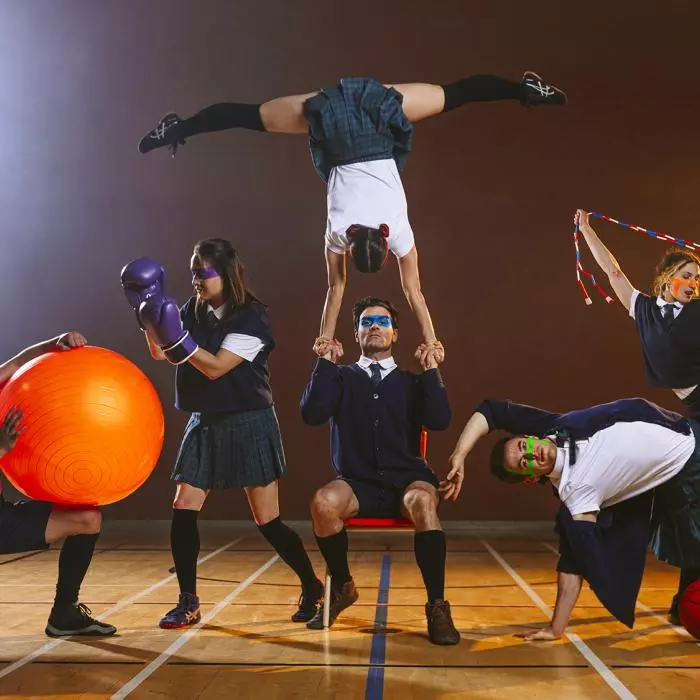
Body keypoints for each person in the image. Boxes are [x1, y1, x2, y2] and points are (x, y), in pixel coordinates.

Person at [138, 72, 566, 363]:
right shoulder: (339, 233)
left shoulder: (398, 231)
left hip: (378, 121)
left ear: (383, 244)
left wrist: (432, 338)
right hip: (337, 129)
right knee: (250, 117)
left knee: (454, 96)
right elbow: (337, 287)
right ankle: (524, 89)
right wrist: (327, 336)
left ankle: (526, 90)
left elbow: (412, 292)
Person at [120, 238, 322, 629]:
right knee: (183, 506)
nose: (195, 280)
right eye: (192, 272)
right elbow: (162, 353)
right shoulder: (191, 309)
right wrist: (146, 316)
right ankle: (188, 601)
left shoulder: (251, 316)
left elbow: (214, 367)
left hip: (249, 420)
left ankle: (312, 585)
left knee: (268, 521)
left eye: (203, 273)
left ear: (225, 274)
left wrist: (178, 338)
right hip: (206, 419)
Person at [447, 395, 700, 639]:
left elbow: (492, 411)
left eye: (524, 446)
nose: (532, 454)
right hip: (688, 463)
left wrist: (459, 454)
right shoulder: (576, 494)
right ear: (532, 478)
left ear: (530, 437)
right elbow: (573, 562)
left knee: (692, 543)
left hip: (683, 427)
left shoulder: (554, 426)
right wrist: (555, 628)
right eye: (524, 463)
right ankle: (686, 606)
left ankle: (682, 605)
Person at [299, 296, 460, 645]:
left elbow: (440, 420)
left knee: (423, 501)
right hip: (358, 483)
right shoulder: (340, 377)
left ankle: (437, 606)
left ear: (395, 334)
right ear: (356, 334)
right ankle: (343, 586)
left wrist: (432, 370)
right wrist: (324, 362)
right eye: (366, 322)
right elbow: (311, 414)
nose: (374, 326)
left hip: (408, 481)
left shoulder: (412, 382)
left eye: (383, 322)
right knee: (323, 503)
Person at [577, 209, 700, 623]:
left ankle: (686, 597)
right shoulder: (642, 308)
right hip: (696, 408)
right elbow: (612, 270)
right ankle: (688, 595)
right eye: (686, 275)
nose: (693, 283)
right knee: (688, 499)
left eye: (697, 278)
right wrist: (587, 230)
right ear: (667, 280)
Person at [0, 333, 116, 637]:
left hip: (3, 518)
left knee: (88, 519)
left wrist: (55, 342)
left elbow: (18, 362)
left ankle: (64, 614)